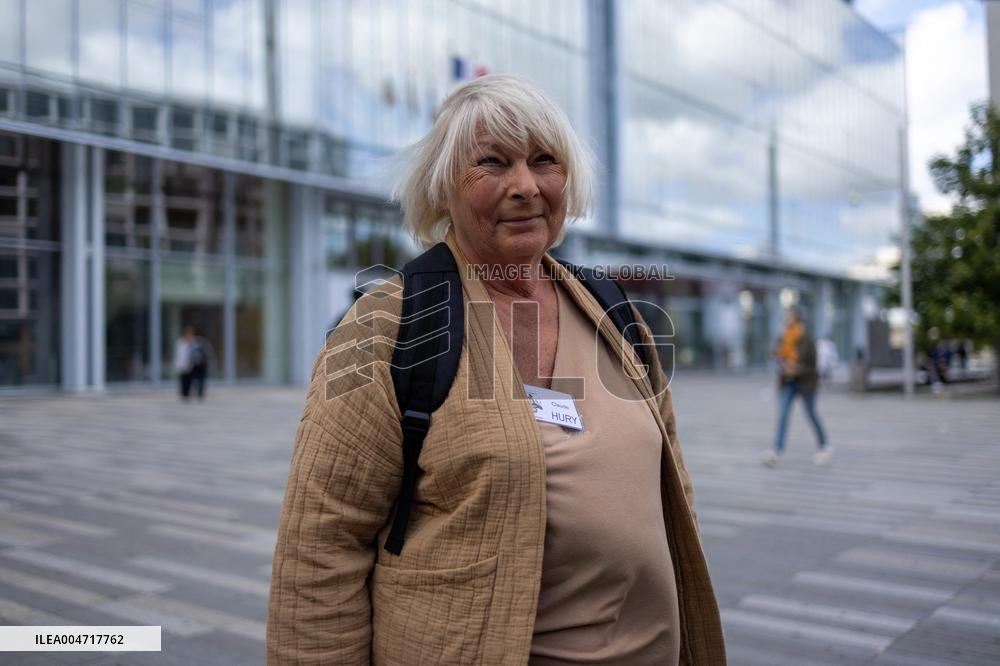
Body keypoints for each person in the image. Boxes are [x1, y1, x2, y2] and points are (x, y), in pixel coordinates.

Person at [267, 75, 725, 665]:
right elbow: (319, 548)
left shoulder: (619, 313)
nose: (526, 187)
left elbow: (672, 487)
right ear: (442, 188)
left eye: (544, 161)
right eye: (492, 162)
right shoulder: (379, 326)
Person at [764, 308, 829, 466]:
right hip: (788, 382)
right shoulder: (784, 337)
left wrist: (798, 368)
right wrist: (781, 362)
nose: (787, 320)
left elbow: (814, 367)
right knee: (783, 415)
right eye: (786, 317)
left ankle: (823, 446)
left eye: (790, 317)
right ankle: (777, 451)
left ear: (797, 319)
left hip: (806, 383)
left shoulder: (807, 338)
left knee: (811, 414)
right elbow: (778, 357)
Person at [173, 325, 211, 401]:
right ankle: (185, 394)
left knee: (192, 380)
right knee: (184, 380)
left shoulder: (197, 342)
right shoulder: (181, 343)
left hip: (192, 365)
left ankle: (193, 393)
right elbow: (179, 355)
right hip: (183, 365)